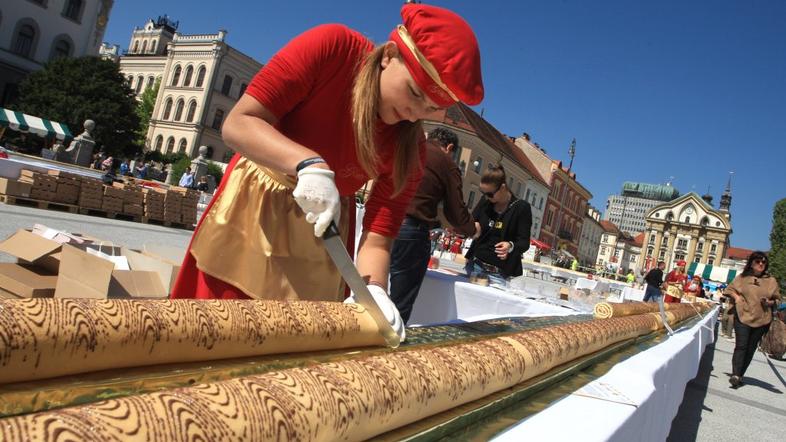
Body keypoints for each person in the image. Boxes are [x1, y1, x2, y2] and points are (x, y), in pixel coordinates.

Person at [170, 3, 484, 343]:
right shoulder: (333, 48)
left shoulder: (410, 150)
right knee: (216, 335)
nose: (414, 113)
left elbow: (377, 239)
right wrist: (306, 163)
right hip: (254, 210)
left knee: (293, 348)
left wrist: (375, 290)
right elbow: (239, 123)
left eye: (431, 108)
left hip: (323, 231)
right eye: (414, 93)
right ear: (389, 55)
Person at [389, 127, 476, 323]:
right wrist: (472, 229)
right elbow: (455, 211)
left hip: (382, 221)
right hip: (411, 230)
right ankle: (387, 346)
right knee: (399, 302)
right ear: (450, 147)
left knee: (370, 289)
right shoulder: (446, 163)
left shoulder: (409, 146)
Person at [464, 164, 531, 287]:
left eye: (490, 194)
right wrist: (473, 228)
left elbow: (524, 242)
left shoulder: (521, 208)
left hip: (500, 274)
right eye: (483, 193)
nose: (486, 197)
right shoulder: (485, 202)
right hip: (475, 266)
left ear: (503, 187)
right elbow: (472, 222)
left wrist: (510, 246)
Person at [725, 251, 781, 388]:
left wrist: (770, 302)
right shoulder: (742, 278)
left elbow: (777, 299)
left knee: (750, 349)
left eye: (763, 262)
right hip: (742, 315)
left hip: (762, 319)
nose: (761, 264)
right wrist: (737, 298)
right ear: (751, 263)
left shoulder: (771, 281)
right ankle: (735, 374)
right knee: (741, 345)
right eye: (758, 261)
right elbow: (729, 289)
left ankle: (740, 374)